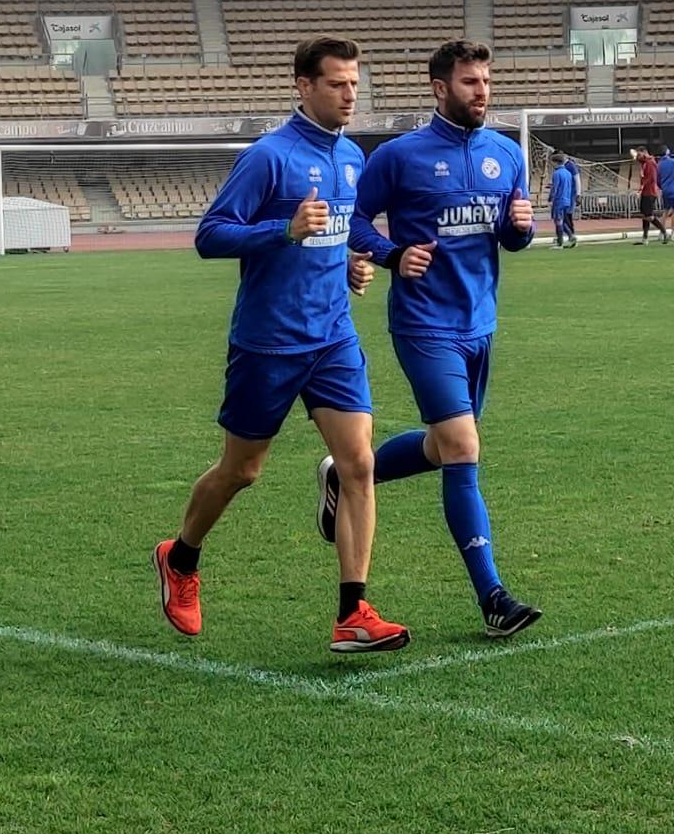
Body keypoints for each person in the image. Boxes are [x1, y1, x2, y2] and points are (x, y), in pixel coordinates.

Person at [154, 35, 406, 654]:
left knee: (360, 464)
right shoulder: (269, 157)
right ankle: (180, 557)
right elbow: (211, 236)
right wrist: (283, 229)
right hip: (268, 343)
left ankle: (353, 613)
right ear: (303, 85)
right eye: (337, 84)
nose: (351, 95)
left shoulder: (353, 159)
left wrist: (349, 261)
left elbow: (335, 235)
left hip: (333, 338)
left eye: (355, 83)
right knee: (243, 470)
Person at [342, 39, 542, 639]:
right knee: (461, 447)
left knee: (442, 444)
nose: (482, 92)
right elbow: (354, 219)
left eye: (485, 81)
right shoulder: (400, 157)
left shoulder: (506, 154)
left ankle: (349, 473)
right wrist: (390, 252)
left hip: (481, 322)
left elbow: (509, 239)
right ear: (439, 88)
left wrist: (520, 230)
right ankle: (493, 596)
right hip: (424, 325)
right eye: (470, 83)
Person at [632, 145, 666, 244]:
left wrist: (640, 189)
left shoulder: (650, 163)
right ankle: (645, 237)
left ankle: (664, 232)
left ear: (644, 152)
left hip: (650, 192)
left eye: (639, 154)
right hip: (646, 191)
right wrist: (634, 155)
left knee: (649, 215)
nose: (638, 156)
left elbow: (650, 178)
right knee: (644, 214)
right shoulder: (645, 162)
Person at [548, 150, 579, 248]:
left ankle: (560, 242)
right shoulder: (567, 173)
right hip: (567, 200)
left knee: (558, 221)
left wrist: (551, 198)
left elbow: (555, 188)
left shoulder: (557, 174)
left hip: (559, 200)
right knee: (562, 220)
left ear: (556, 162)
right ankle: (570, 236)